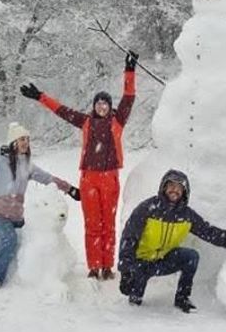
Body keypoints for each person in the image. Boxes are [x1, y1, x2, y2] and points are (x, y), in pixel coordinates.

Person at [20, 51, 138, 281]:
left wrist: (130, 71)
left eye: (105, 103)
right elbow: (62, 111)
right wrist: (40, 96)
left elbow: (129, 97)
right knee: (92, 224)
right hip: (89, 179)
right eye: (99, 103)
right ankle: (94, 267)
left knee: (109, 225)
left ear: (110, 107)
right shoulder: (85, 122)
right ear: (94, 106)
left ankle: (107, 266)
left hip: (110, 178)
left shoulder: (117, 121)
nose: (102, 107)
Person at [0, 123, 81, 288]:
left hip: (17, 218)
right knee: (9, 239)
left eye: (27, 140)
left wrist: (69, 189)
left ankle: (42, 275)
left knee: (37, 235)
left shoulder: (27, 166)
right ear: (13, 142)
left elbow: (48, 179)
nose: (25, 143)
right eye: (21, 139)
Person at [117, 169, 226, 313]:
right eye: (171, 186)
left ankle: (182, 298)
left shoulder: (186, 215)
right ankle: (136, 289)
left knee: (191, 256)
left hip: (164, 260)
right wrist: (126, 272)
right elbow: (128, 238)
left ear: (184, 191)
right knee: (135, 302)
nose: (174, 190)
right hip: (141, 262)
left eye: (179, 187)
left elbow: (209, 232)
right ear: (164, 187)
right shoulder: (147, 209)